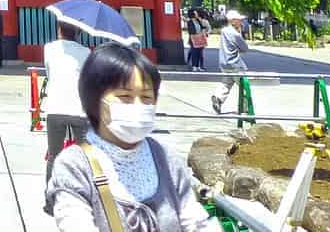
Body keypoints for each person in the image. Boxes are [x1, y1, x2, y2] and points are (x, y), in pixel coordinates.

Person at [47, 43, 218, 232]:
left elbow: (194, 221)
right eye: (125, 96)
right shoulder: (74, 165)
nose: (138, 105)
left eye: (146, 97)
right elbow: (74, 223)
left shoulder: (166, 158)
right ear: (95, 100)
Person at [42, 22, 91, 185]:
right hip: (79, 109)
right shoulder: (86, 52)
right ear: (77, 32)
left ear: (59, 30)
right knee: (85, 157)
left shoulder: (49, 49)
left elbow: (49, 73)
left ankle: (50, 198)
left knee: (54, 156)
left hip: (55, 107)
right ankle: (86, 193)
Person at [211, 10, 250, 114]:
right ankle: (245, 107)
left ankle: (218, 98)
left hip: (224, 62)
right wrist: (239, 32)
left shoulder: (224, 31)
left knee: (226, 83)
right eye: (239, 20)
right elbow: (245, 48)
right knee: (243, 85)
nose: (241, 21)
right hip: (235, 63)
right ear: (233, 21)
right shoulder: (234, 34)